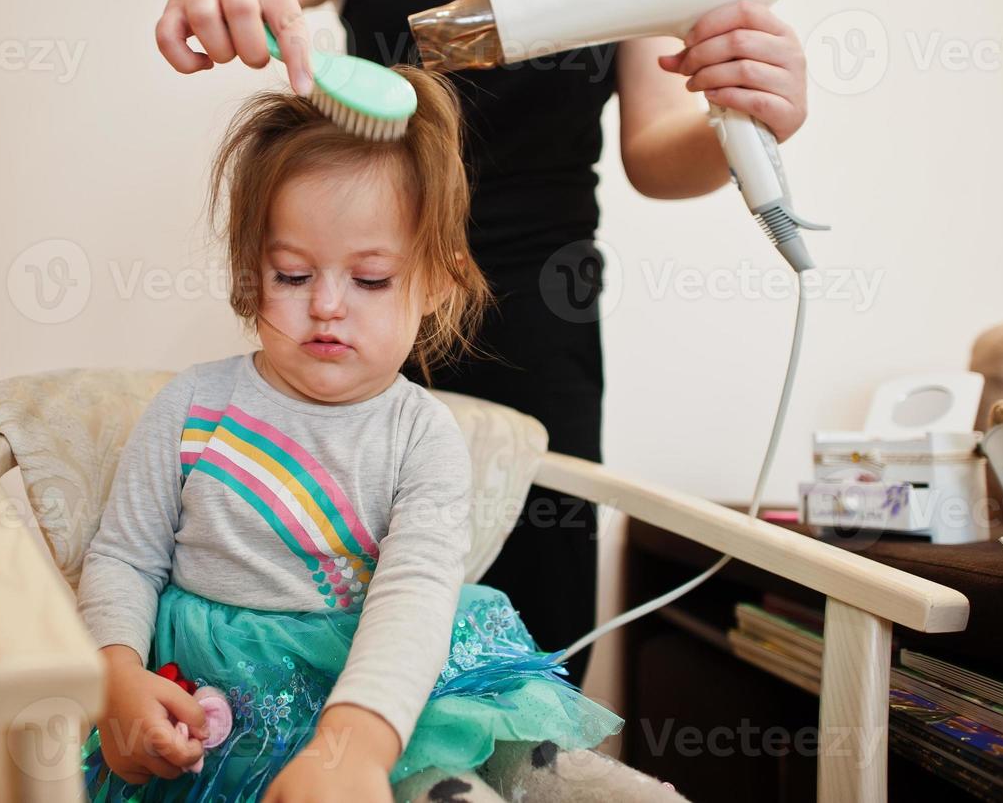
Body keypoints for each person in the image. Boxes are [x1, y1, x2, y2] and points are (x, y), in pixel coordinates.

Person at [155, 0, 810, 686]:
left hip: (543, 324)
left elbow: (656, 152)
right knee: (345, 594)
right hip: (372, 308)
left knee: (529, 630)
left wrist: (752, 112)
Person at [76, 69, 687, 802]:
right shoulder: (192, 406)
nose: (327, 306)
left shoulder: (421, 433)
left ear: (435, 284)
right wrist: (114, 677)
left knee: (498, 774)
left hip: (386, 696)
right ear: (250, 273)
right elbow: (123, 558)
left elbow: (414, 596)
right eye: (292, 275)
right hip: (226, 714)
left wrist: (353, 747)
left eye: (369, 280)